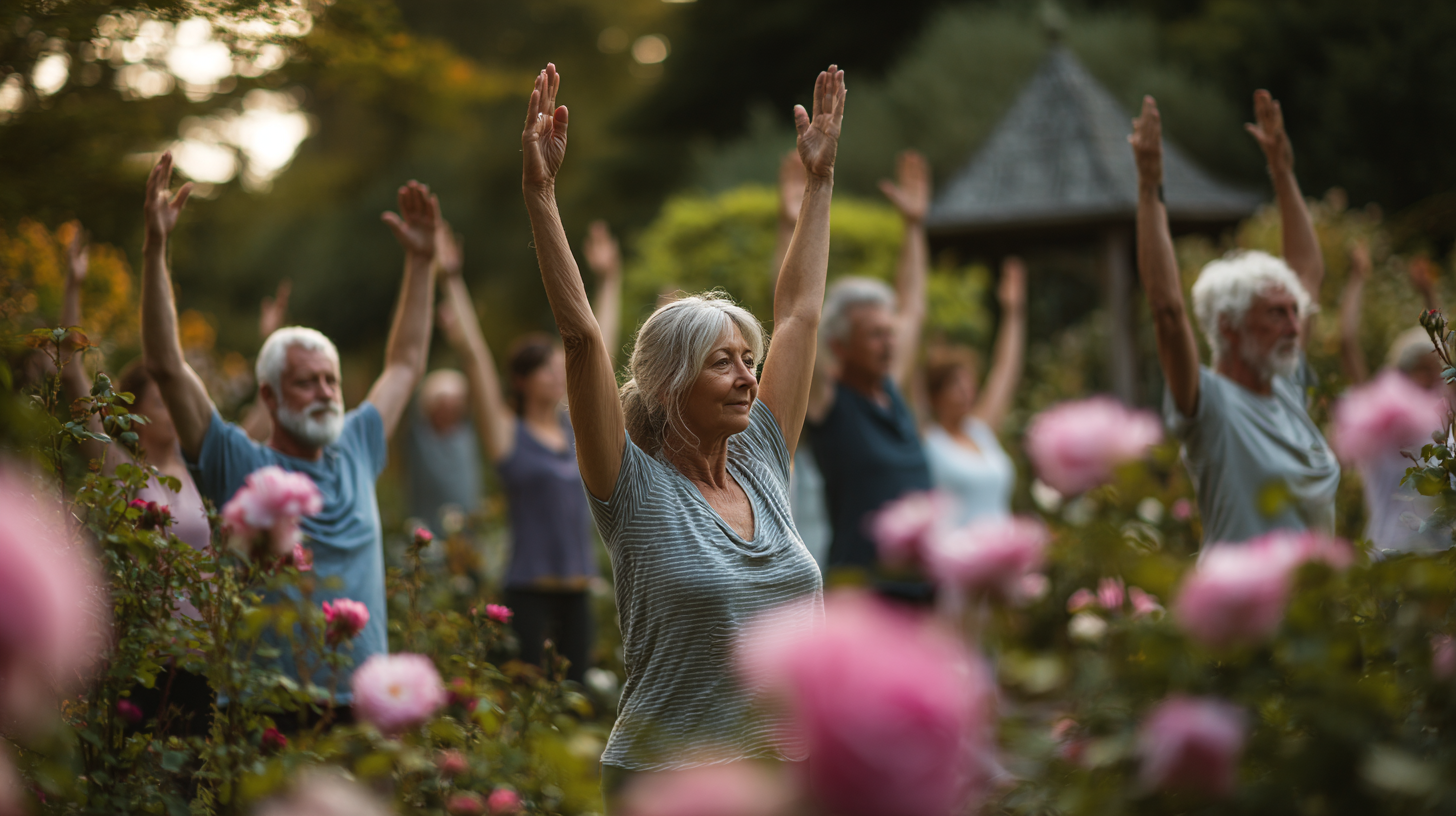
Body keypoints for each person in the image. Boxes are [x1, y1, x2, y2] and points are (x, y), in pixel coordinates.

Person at [519, 63, 842, 799]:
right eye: (721, 364)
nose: (748, 378)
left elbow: (798, 314)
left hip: (789, 772)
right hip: (668, 782)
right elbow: (579, 339)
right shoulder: (628, 485)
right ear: (669, 384)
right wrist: (540, 195)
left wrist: (819, 184)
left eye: (748, 361)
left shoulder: (761, 456)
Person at [139, 151, 440, 704]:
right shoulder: (239, 464)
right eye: (307, 383)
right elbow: (166, 366)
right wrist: (157, 248)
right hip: (265, 714)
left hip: (360, 711)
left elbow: (404, 363)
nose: (326, 392)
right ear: (271, 399)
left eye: (332, 380)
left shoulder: (358, 443)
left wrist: (422, 264)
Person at [1132, 91, 1338, 547]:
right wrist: (1150, 189)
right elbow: (1167, 312)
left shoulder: (1285, 385)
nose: (1294, 323)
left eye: (1293, 312)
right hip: (1244, 611)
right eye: (1274, 313)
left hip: (1315, 614)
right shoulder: (1210, 404)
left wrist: (1282, 173)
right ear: (1228, 326)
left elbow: (1309, 274)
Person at [433, 211, 622, 684]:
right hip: (527, 590)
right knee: (527, 701)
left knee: (577, 699)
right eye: (543, 368)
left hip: (578, 589)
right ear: (521, 379)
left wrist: (611, 279)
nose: (557, 373)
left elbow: (599, 352)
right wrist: (452, 278)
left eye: (557, 366)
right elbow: (475, 357)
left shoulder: (576, 425)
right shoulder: (505, 431)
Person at [60, 226, 214, 734]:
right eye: (158, 402)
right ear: (138, 413)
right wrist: (73, 289)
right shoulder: (123, 469)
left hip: (203, 656)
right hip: (146, 659)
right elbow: (75, 378)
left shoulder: (201, 470)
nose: (172, 410)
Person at [805, 149, 932, 595]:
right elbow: (797, 317)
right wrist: (793, 223)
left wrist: (914, 227)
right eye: (874, 335)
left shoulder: (890, 389)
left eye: (888, 332)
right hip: (864, 592)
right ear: (840, 345)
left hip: (921, 587)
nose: (889, 341)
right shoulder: (828, 400)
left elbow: (913, 309)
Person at [1339, 244, 1451, 551]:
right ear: (1399, 372)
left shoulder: (1444, 416)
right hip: (1392, 555)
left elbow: (1445, 349)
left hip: (1442, 560)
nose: (1429, 377)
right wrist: (1358, 278)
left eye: (1434, 369)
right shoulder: (1375, 411)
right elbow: (1347, 342)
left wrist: (1429, 294)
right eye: (1419, 368)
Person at [921, 257, 1027, 527]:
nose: (967, 391)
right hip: (955, 559)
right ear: (934, 394)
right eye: (955, 384)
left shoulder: (981, 431)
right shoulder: (928, 438)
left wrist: (1013, 313)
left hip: (1000, 554)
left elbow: (1006, 371)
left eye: (969, 383)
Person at [772, 151, 831, 567]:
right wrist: (789, 225)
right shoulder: (767, 443)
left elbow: (801, 321)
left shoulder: (837, 403)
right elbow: (792, 319)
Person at [403, 368, 484, 541]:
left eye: (457, 402)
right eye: (444, 402)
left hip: (469, 537)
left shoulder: (467, 434)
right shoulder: (421, 438)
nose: (452, 407)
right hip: (428, 535)